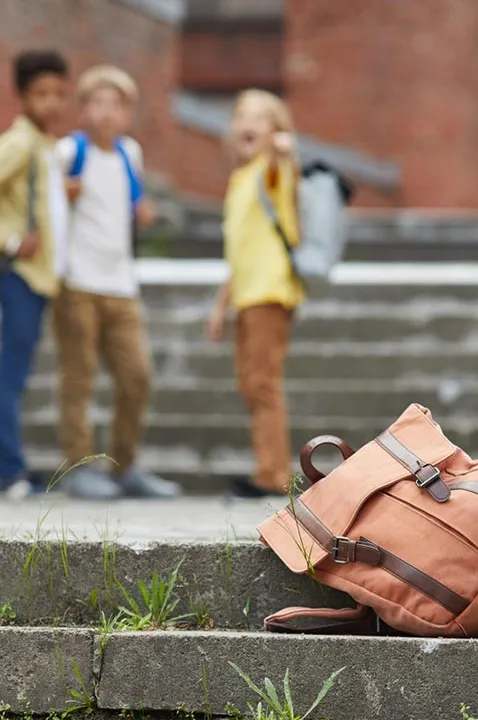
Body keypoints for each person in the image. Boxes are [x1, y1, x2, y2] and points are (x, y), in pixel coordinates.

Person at [54, 65, 180, 500]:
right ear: (84, 108)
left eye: (116, 104)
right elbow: (50, 208)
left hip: (121, 283)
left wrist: (142, 209)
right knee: (79, 377)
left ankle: (125, 465)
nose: (107, 113)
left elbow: (129, 200)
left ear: (128, 113)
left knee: (137, 376)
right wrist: (61, 195)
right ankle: (78, 467)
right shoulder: (69, 151)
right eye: (98, 102)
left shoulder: (131, 152)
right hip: (77, 283)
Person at [207, 89, 303, 498]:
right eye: (241, 115)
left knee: (263, 384)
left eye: (260, 118)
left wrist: (284, 150)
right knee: (250, 384)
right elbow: (239, 250)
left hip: (269, 291)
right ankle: (268, 467)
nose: (247, 123)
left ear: (275, 130)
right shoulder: (239, 178)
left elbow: (286, 167)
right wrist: (220, 306)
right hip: (246, 294)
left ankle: (272, 475)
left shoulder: (271, 171)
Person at [0, 50, 70, 499]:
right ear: (22, 96)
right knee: (9, 374)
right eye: (41, 93)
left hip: (42, 278)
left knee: (17, 373)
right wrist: (8, 240)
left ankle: (12, 466)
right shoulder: (21, 141)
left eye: (59, 93)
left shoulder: (45, 145)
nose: (52, 102)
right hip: (19, 274)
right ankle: (9, 471)